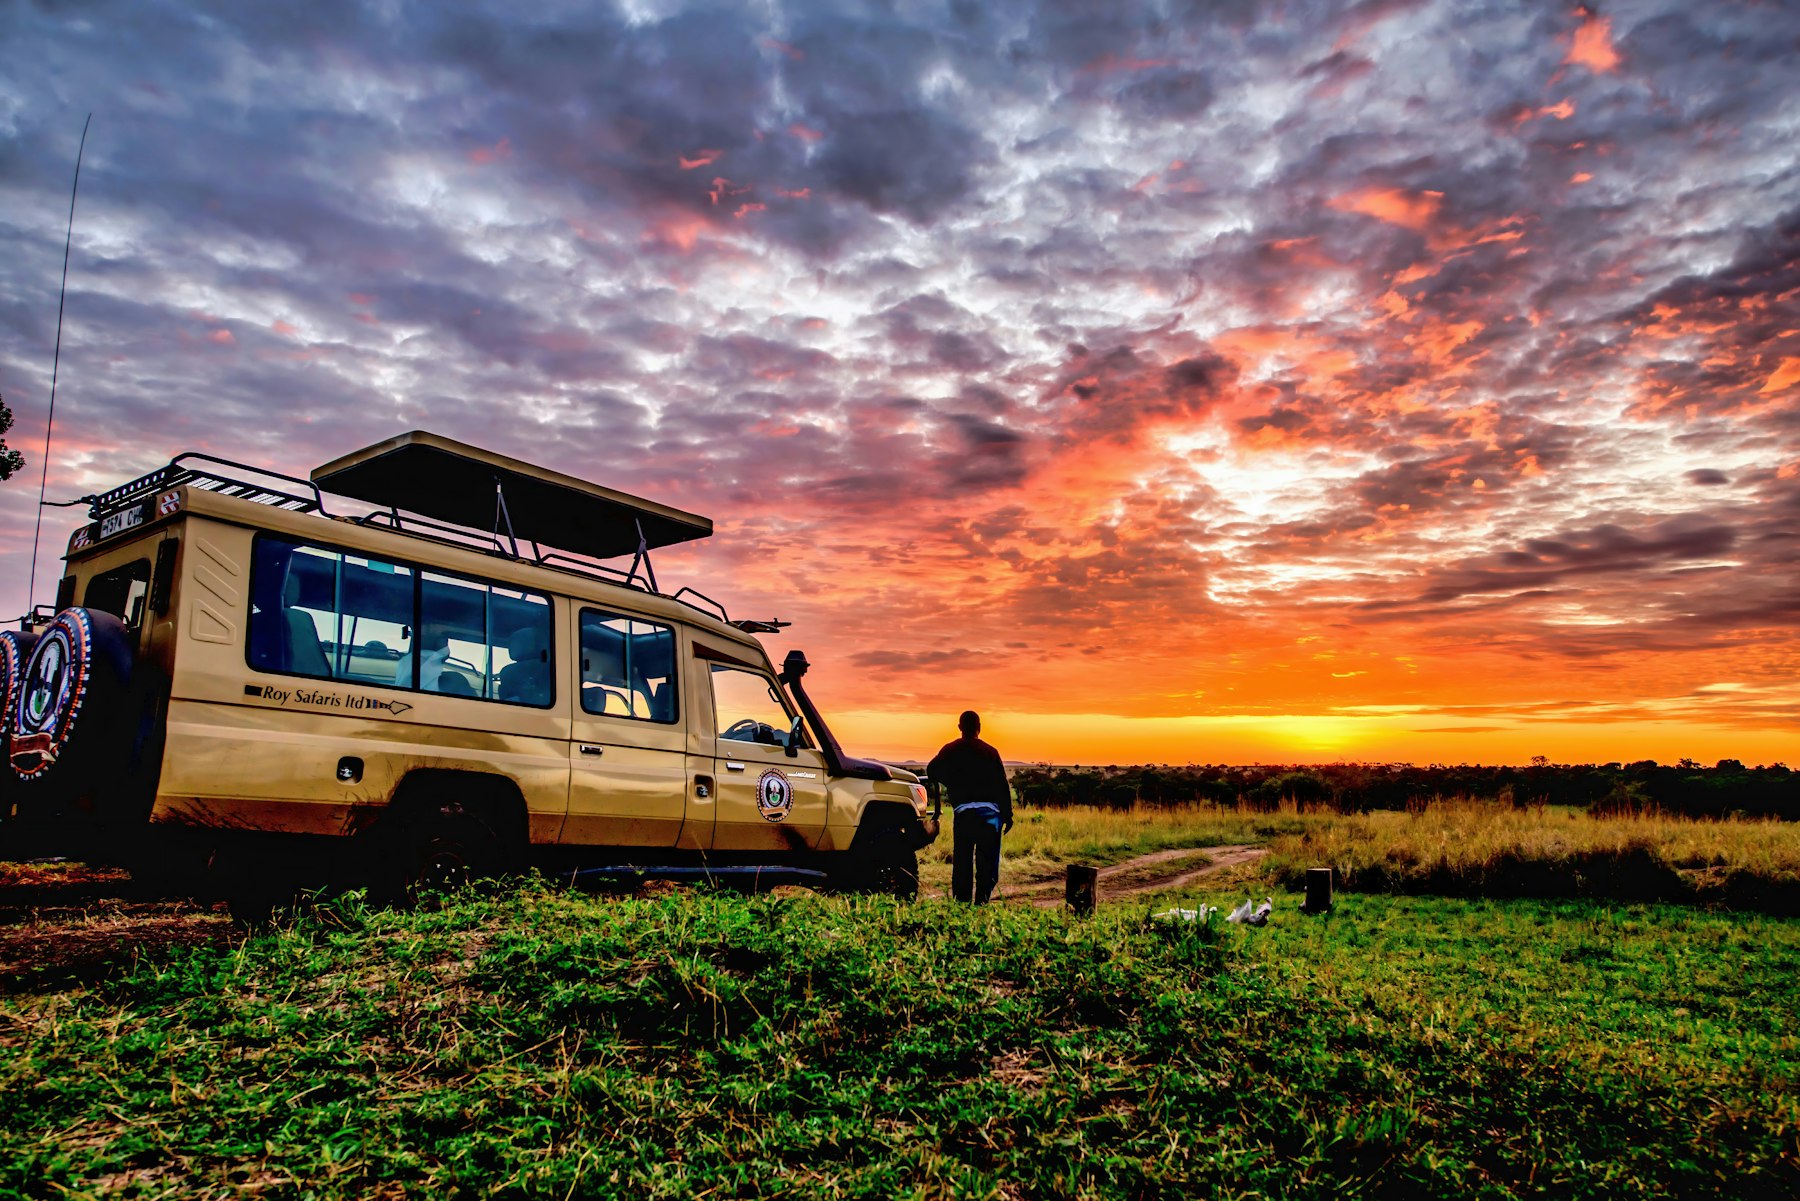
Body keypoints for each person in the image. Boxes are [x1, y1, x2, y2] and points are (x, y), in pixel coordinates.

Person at [926, 710, 1013, 903]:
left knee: (962, 863)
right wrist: (1008, 816)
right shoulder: (991, 752)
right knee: (988, 863)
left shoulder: (950, 750)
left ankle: (962, 906)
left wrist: (952, 781)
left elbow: (931, 770)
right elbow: (1002, 785)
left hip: (964, 813)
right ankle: (982, 902)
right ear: (979, 728)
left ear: (960, 728)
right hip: (990, 815)